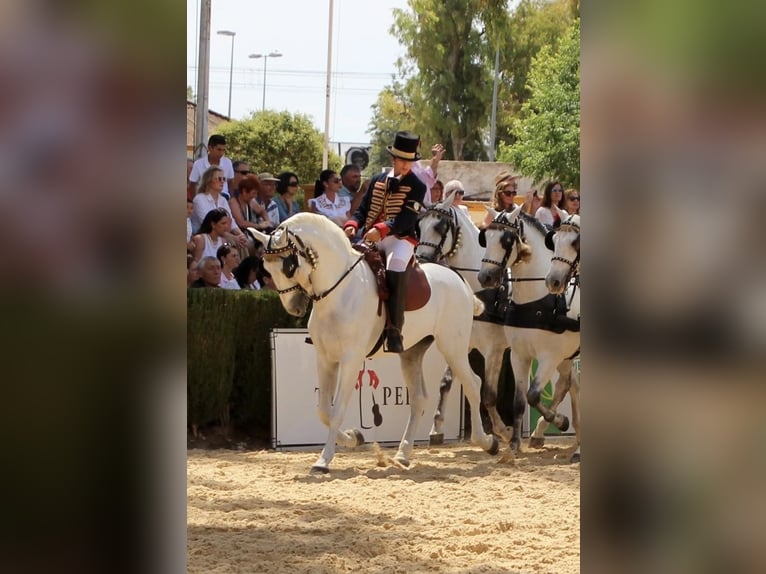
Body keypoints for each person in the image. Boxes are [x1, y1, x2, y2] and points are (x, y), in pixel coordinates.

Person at [343, 131, 427, 353]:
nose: (407, 165)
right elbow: (362, 210)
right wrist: (352, 224)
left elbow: (407, 218)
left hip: (400, 238)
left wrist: (382, 229)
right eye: (403, 160)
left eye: (410, 161)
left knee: (396, 265)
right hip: (369, 235)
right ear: (394, 159)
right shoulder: (376, 181)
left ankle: (394, 330)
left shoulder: (418, 186)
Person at [188, 134, 235, 200]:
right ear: (210, 148)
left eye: (223, 150)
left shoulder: (228, 162)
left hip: (223, 196)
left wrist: (232, 198)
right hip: (204, 196)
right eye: (219, 149)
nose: (221, 153)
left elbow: (230, 182)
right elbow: (192, 184)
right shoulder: (198, 164)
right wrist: (195, 200)